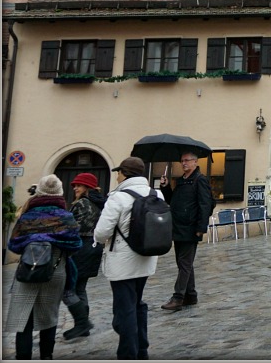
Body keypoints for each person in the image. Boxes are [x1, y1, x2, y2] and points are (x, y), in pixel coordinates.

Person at [4, 174, 82, 360]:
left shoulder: (28, 216)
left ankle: (23, 357)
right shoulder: (66, 217)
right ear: (60, 193)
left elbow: (14, 245)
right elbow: (76, 245)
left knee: (23, 318)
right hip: (56, 270)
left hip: (28, 269)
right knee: (49, 316)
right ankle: (46, 356)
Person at [94, 157, 163, 360]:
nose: (116, 176)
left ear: (124, 173)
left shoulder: (118, 197)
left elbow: (101, 233)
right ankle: (141, 348)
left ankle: (128, 353)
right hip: (146, 257)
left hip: (122, 263)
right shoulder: (156, 193)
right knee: (137, 303)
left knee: (124, 310)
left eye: (118, 172)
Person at [158, 151, 213, 312]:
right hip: (178, 227)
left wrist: (201, 228)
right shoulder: (181, 181)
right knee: (184, 263)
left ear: (195, 162)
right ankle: (191, 294)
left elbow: (205, 204)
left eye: (187, 160)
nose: (184, 163)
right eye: (182, 161)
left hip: (190, 228)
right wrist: (165, 186)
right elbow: (173, 201)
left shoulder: (200, 180)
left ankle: (178, 297)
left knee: (184, 263)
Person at [62, 173, 107, 340]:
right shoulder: (99, 203)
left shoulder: (82, 203)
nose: (75, 188)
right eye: (74, 185)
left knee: (70, 288)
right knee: (80, 288)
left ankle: (82, 323)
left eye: (78, 185)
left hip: (80, 248)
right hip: (93, 247)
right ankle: (82, 325)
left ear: (87, 187)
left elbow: (73, 228)